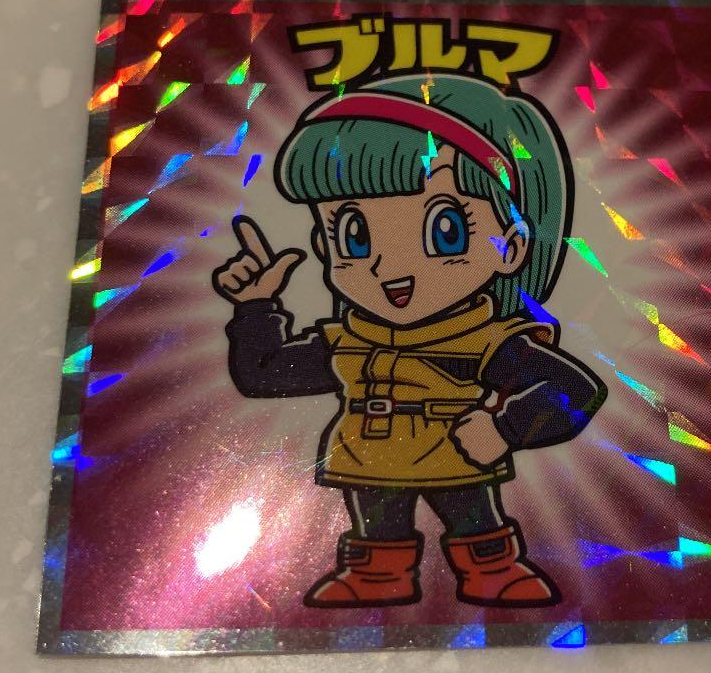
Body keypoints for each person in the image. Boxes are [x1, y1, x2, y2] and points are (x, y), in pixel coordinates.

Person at [213, 73, 605, 608]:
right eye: (354, 235)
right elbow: (263, 375)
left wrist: (506, 429)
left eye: (445, 230)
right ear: (325, 246)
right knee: (378, 526)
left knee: (474, 519)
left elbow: (576, 391)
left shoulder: (485, 340)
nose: (388, 267)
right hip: (367, 457)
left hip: (456, 453)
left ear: (511, 246)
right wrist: (257, 307)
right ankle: (377, 574)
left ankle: (492, 567)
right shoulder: (349, 338)